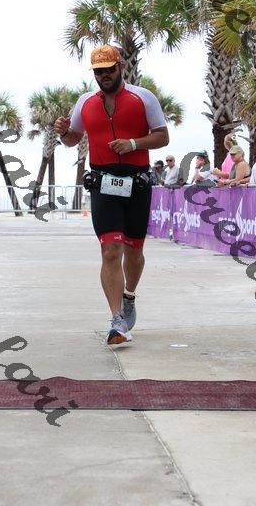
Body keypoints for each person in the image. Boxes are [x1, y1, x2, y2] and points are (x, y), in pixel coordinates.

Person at [54, 45, 169, 345]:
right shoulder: (85, 102)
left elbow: (162, 136)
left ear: (121, 67)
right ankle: (117, 320)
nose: (104, 75)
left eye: (109, 69)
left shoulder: (143, 98)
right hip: (103, 183)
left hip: (137, 183)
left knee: (134, 251)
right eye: (98, 71)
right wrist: (63, 132)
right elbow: (73, 138)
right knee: (110, 250)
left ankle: (129, 296)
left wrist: (133, 144)